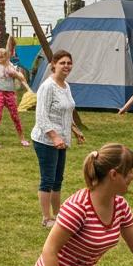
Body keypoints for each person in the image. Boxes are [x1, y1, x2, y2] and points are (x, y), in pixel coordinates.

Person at [31, 50, 86, 228]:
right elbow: (41, 117)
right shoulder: (48, 86)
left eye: (69, 63)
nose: (66, 66)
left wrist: (75, 129)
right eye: (62, 63)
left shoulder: (66, 86)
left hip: (61, 140)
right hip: (45, 140)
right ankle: (46, 218)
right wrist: (54, 137)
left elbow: (66, 111)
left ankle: (58, 216)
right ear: (53, 64)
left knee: (57, 179)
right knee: (47, 180)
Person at [0, 47, 29, 149]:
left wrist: (16, 74)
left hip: (10, 94)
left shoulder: (11, 67)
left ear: (6, 57)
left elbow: (19, 77)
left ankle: (22, 139)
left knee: (15, 116)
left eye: (1, 55)